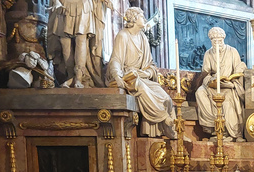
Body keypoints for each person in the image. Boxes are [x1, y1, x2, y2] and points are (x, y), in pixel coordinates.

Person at [107, 7, 177, 139]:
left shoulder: (143, 37)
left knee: (165, 97)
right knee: (142, 88)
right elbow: (116, 60)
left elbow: (150, 64)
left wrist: (148, 73)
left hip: (142, 76)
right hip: (128, 77)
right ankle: (164, 118)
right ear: (134, 19)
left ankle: (171, 130)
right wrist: (117, 76)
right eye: (141, 16)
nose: (144, 19)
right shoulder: (123, 35)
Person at [195, 27, 247, 141]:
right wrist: (211, 80)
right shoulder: (208, 53)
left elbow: (239, 69)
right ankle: (215, 128)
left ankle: (234, 134)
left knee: (227, 102)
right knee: (200, 92)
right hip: (213, 85)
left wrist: (232, 79)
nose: (217, 44)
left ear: (223, 39)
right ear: (211, 41)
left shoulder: (232, 51)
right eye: (215, 41)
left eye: (220, 41)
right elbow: (205, 73)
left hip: (228, 86)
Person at [50, 0, 109, 88]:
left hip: (83, 5)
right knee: (64, 42)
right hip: (63, 5)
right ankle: (70, 75)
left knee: (81, 40)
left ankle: (78, 77)